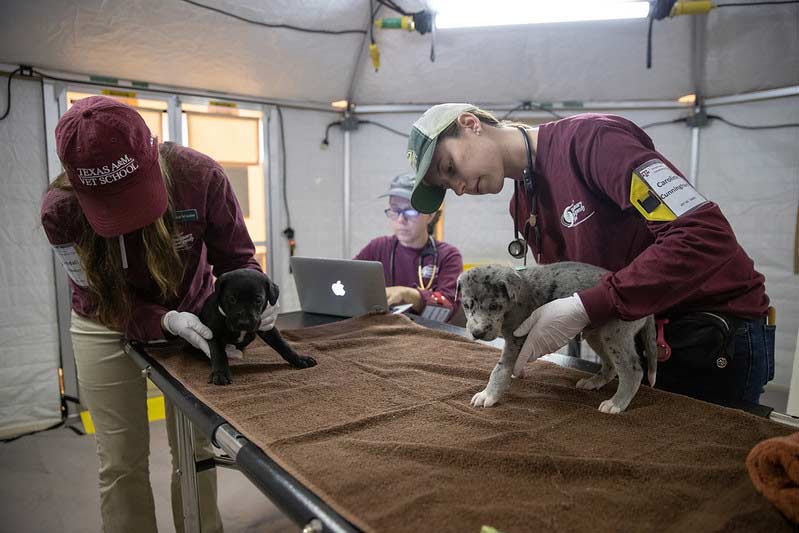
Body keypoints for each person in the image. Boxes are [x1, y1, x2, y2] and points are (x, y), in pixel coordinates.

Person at [405, 103, 773, 407]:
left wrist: (590, 304)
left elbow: (703, 235)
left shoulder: (594, 143)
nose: (460, 187)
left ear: (470, 124)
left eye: (450, 168)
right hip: (632, 339)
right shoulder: (523, 207)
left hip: (708, 337)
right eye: (448, 187)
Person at [40, 96, 279, 532]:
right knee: (120, 459)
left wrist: (256, 301)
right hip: (104, 321)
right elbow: (97, 299)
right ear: (78, 186)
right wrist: (162, 321)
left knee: (196, 449)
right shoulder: (60, 211)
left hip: (194, 310)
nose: (129, 220)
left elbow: (237, 258)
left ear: (152, 155)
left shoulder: (200, 175)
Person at [354, 173, 463, 320]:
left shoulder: (448, 256)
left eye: (410, 211)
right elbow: (349, 280)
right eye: (395, 210)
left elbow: (449, 304)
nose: (400, 219)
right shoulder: (377, 248)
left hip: (426, 334)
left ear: (430, 215)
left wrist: (410, 295)